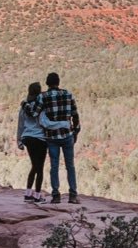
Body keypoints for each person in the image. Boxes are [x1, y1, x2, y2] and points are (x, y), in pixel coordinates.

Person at [38, 72, 80, 204]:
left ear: (47, 83)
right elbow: (75, 115)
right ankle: (73, 195)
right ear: (59, 82)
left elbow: (35, 112)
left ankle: (56, 195)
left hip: (51, 137)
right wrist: (76, 132)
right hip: (67, 135)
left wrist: (25, 104)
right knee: (70, 166)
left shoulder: (42, 96)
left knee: (54, 166)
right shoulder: (68, 94)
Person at [16, 82, 48, 203]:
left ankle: (28, 193)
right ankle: (37, 195)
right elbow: (44, 122)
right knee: (39, 167)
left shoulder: (24, 106)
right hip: (40, 138)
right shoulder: (41, 106)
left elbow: (20, 124)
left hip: (27, 137)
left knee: (34, 165)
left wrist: (19, 140)